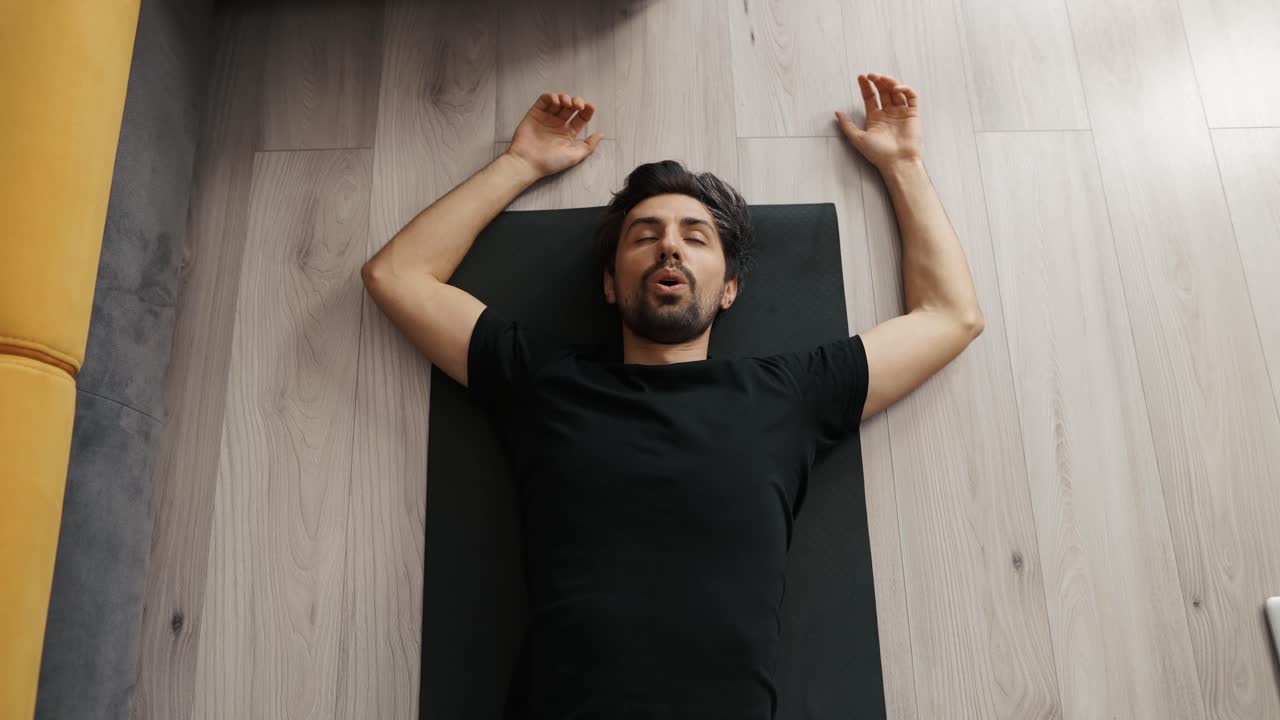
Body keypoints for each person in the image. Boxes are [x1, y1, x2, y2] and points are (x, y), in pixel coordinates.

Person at [362, 72, 984, 720]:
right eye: (644, 234)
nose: (668, 244)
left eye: (695, 235)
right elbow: (397, 275)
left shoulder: (789, 395)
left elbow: (950, 317)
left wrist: (903, 165)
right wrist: (519, 164)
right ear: (610, 284)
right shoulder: (547, 382)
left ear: (729, 290)